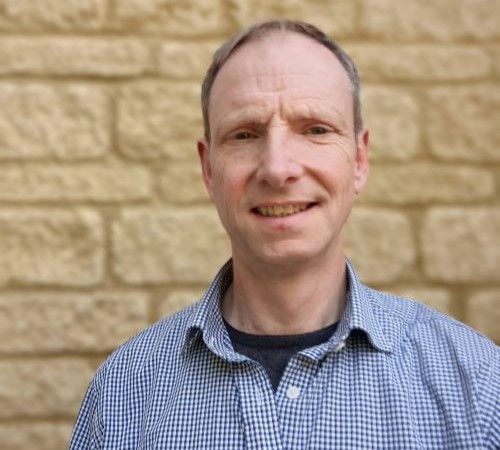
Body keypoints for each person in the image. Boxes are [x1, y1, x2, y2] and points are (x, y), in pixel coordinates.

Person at [69, 20, 499, 449]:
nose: (278, 169)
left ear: (359, 160)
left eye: (315, 130)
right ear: (208, 170)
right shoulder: (123, 393)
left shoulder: (476, 386)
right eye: (244, 134)